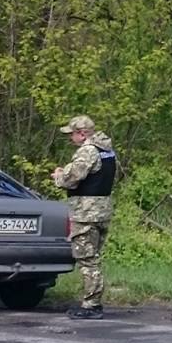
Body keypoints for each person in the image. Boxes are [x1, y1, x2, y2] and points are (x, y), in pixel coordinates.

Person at [51, 114, 117, 320]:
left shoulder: (87, 152)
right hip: (102, 209)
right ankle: (92, 300)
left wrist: (59, 177)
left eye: (72, 134)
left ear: (82, 133)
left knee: (87, 258)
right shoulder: (106, 150)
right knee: (93, 257)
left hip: (86, 212)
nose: (70, 138)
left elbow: (72, 179)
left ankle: (91, 304)